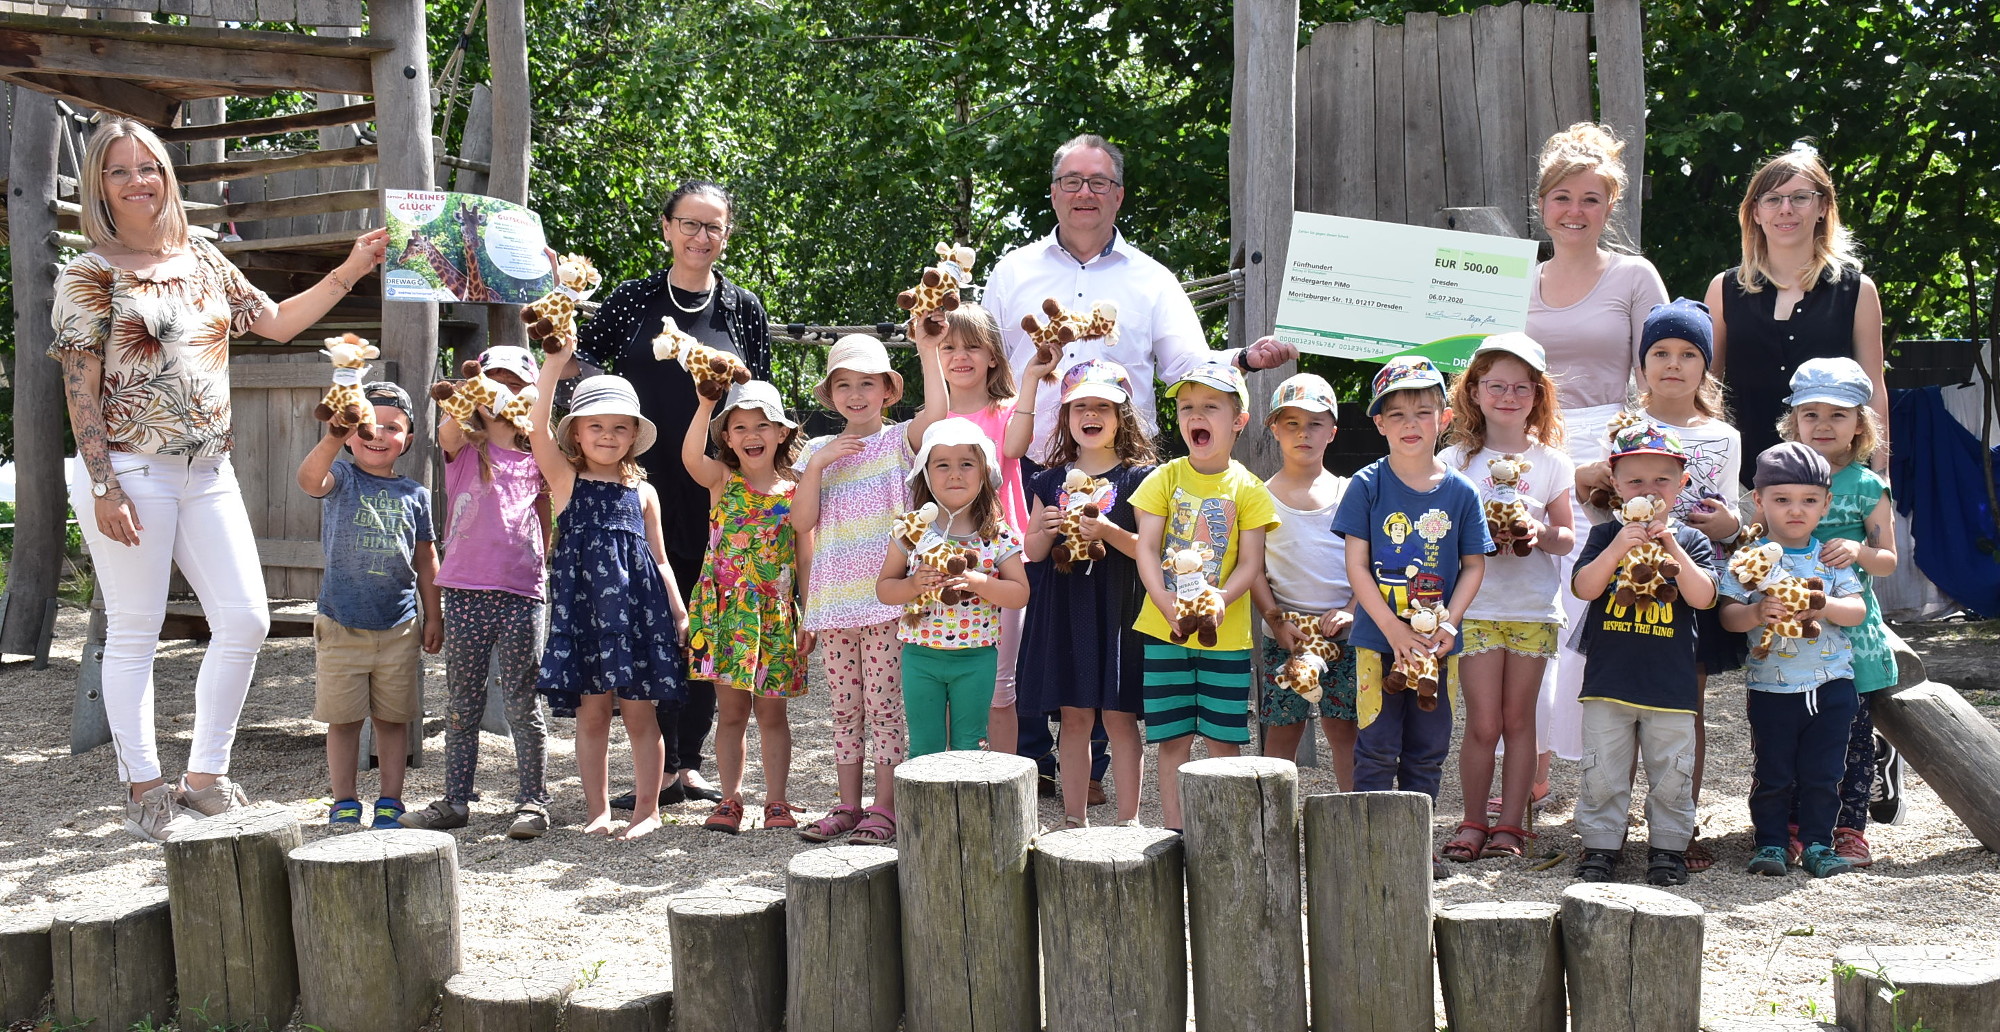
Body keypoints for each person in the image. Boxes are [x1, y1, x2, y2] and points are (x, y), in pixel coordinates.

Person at [50, 117, 388, 842]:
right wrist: (103, 486)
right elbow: (79, 388)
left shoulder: (202, 255)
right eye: (117, 171)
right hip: (129, 469)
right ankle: (143, 789)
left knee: (246, 619)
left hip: (209, 469)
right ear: (99, 187)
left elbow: (276, 324)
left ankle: (203, 778)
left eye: (148, 166)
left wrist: (352, 268)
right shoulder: (89, 273)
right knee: (136, 631)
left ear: (167, 174)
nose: (137, 180)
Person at [984, 133, 1295, 785]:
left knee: (1106, 618)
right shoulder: (1012, 273)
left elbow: (1188, 365)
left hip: (1121, 478)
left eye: (1098, 182)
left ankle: (1093, 763)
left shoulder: (1151, 280)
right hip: (1025, 469)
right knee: (1029, 612)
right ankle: (1033, 759)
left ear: (1119, 195)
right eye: (1072, 180)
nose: (1084, 193)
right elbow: (985, 363)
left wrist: (1245, 359)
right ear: (1053, 191)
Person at [569, 180, 772, 809]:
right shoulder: (634, 299)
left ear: (726, 236)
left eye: (713, 227)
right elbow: (583, 364)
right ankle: (650, 762)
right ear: (666, 227)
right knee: (644, 614)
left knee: (703, 616)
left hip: (714, 486)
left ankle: (690, 759)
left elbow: (760, 392)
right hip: (636, 481)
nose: (700, 236)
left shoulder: (742, 307)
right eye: (689, 223)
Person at [1523, 123, 1669, 803]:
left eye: (1590, 198)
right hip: (1529, 457)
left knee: (1597, 610)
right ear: (1542, 203)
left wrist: (1628, 471)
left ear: (1610, 206)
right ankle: (1534, 767)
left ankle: (1602, 774)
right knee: (1533, 612)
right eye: (1562, 197)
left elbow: (1660, 379)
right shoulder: (1514, 281)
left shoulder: (1634, 277)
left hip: (1611, 456)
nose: (1574, 211)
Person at [1578, 299, 1746, 872]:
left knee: (1681, 711)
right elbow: (1593, 494)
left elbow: (1730, 506)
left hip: (1690, 579)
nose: (1673, 364)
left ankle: (1677, 831)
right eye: (1660, 353)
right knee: (1615, 717)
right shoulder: (1624, 427)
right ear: (1642, 362)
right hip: (1623, 588)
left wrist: (1733, 525)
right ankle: (1608, 835)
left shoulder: (1723, 434)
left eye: (1688, 354)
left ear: (1706, 366)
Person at [792, 335, 946, 845]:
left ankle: (885, 805)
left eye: (867, 383)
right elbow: (802, 521)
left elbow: (940, 414)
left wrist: (928, 349)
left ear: (887, 390)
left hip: (887, 599)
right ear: (830, 394)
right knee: (844, 707)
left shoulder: (901, 439)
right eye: (843, 385)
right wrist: (818, 463)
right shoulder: (817, 450)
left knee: (884, 705)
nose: (855, 394)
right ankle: (845, 804)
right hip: (834, 603)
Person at [527, 358, 688, 840]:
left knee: (641, 713)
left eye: (620, 427)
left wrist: (679, 614)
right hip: (584, 616)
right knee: (592, 713)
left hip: (640, 616)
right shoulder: (565, 481)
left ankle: (648, 810)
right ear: (575, 433)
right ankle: (597, 811)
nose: (607, 435)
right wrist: (554, 364)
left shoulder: (643, 491)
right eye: (595, 425)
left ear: (634, 434)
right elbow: (535, 426)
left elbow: (660, 560)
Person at [401, 346, 554, 839]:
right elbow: (446, 423)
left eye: (515, 385)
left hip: (521, 592)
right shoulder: (463, 448)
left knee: (521, 703)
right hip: (465, 591)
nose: (503, 393)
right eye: (495, 383)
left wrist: (530, 409)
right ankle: (455, 799)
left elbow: (548, 517)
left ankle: (533, 801)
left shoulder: (538, 457)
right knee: (461, 702)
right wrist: (474, 395)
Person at [1439, 336, 1574, 863]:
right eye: (1496, 385)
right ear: (1474, 391)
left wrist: (1537, 531)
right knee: (1482, 723)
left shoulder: (1551, 463)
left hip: (1532, 608)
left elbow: (1566, 538)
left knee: (1521, 722)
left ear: (1538, 395)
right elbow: (1441, 534)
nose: (1509, 396)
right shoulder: (1454, 460)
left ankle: (1511, 825)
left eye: (1522, 387)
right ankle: (1473, 819)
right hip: (1474, 608)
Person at [1131, 363, 1279, 832]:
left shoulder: (1250, 489)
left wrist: (1221, 598)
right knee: (1172, 738)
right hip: (1164, 631)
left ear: (1238, 420)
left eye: (1210, 407)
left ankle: (1223, 830)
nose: (1196, 415)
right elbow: (1146, 548)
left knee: (1222, 739)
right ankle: (1175, 831)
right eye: (1186, 407)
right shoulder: (1163, 478)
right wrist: (1161, 599)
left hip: (1227, 635)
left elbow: (1251, 564)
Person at [1335, 357, 1490, 803]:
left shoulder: (1463, 492)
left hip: (1439, 647)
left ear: (1443, 419)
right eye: (1397, 414)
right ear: (1379, 423)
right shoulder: (1366, 485)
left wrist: (1449, 624)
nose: (1410, 423)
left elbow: (1474, 565)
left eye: (1422, 412)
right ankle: (1370, 847)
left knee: (1428, 749)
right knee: (1377, 747)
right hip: (1377, 641)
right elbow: (1357, 566)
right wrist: (1393, 629)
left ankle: (1417, 851)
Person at [1568, 422, 1717, 885]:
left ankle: (1669, 847)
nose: (1649, 490)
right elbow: (1583, 587)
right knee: (1603, 771)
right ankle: (1600, 845)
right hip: (1609, 682)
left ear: (1682, 484)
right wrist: (1616, 546)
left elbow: (1704, 597)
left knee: (1672, 772)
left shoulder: (1691, 541)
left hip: (1670, 687)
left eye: (1662, 480)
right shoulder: (1605, 535)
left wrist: (1671, 543)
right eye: (1635, 480)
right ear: (1615, 485)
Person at [1016, 359, 1157, 829]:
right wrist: (1046, 528)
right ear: (1066, 417)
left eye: (1103, 407)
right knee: (1074, 717)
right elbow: (1033, 552)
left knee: (1119, 717)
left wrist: (1108, 530)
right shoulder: (1049, 480)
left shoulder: (1143, 478)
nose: (1091, 415)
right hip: (1065, 608)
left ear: (1122, 417)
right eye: (1081, 407)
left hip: (1119, 607)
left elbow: (1149, 552)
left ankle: (1129, 821)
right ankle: (1074, 821)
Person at [295, 382, 440, 830]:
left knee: (393, 720)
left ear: (409, 439)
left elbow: (426, 558)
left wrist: (433, 614)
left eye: (392, 428)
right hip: (341, 623)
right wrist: (334, 434)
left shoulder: (415, 494)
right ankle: (343, 801)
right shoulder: (341, 476)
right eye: (367, 425)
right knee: (343, 721)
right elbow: (308, 480)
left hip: (398, 626)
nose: (377, 434)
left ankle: (390, 801)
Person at [1719, 443, 1868, 879]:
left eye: (1808, 500)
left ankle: (1819, 843)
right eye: (1782, 500)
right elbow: (1728, 616)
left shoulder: (1830, 557)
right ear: (1759, 502)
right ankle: (1770, 843)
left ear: (1825, 504)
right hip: (1772, 686)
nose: (1795, 510)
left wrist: (1821, 606)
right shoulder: (1747, 560)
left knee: (1824, 771)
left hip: (1832, 685)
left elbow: (1856, 611)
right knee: (1773, 771)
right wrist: (1756, 613)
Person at [1778, 358, 1898, 867]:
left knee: (1848, 734)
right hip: (1792, 626)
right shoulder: (1779, 472)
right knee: (1787, 726)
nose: (1823, 425)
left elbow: (1889, 559)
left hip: (1850, 627)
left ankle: (1849, 826)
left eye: (1838, 414)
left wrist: (1857, 550)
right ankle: (1790, 821)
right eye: (1811, 414)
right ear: (1794, 422)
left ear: (1861, 425)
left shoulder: (1868, 486)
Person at [1706, 145, 1887, 479]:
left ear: (1822, 207)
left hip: (1835, 481)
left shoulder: (1858, 291)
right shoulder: (1724, 289)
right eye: (1773, 199)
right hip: (1742, 478)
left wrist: (1881, 477)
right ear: (1756, 213)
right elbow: (1708, 389)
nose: (1785, 209)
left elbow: (1873, 389)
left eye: (1800, 197)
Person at [681, 380, 806, 835]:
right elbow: (690, 458)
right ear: (728, 438)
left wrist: (808, 614)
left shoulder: (797, 490)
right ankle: (730, 799)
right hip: (726, 614)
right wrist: (705, 404)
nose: (752, 434)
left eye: (762, 425)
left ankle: (777, 801)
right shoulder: (722, 480)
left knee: (773, 714)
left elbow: (805, 557)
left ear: (781, 433)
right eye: (740, 427)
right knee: (730, 713)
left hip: (774, 616)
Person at [877, 418, 1031, 758]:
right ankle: (922, 813)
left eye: (966, 464)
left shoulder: (997, 533)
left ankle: (969, 812)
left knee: (970, 745)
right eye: (942, 465)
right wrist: (913, 584)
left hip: (976, 657)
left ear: (984, 472)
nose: (955, 474)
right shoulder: (911, 528)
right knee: (924, 746)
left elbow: (1020, 593)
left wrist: (979, 582)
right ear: (926, 475)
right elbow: (885, 589)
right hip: (920, 654)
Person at [921, 305, 1030, 781]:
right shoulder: (934, 416)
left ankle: (1004, 788)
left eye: (972, 346)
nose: (959, 356)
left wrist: (1031, 381)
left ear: (993, 356)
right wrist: (926, 348)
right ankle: (943, 789)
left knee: (1000, 687)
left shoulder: (1005, 412)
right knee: (942, 680)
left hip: (999, 558)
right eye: (949, 347)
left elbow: (1014, 449)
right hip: (938, 560)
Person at [1245, 374, 1359, 783]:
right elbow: (1253, 568)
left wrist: (1351, 611)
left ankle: (1353, 821)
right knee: (1281, 733)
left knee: (1345, 732)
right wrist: (1276, 619)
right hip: (1285, 636)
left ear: (1332, 431)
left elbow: (1366, 564)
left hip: (1345, 636)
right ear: (1274, 429)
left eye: (1314, 423)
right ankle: (1272, 825)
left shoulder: (1352, 492)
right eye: (1291, 422)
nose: (1303, 433)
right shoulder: (1259, 495)